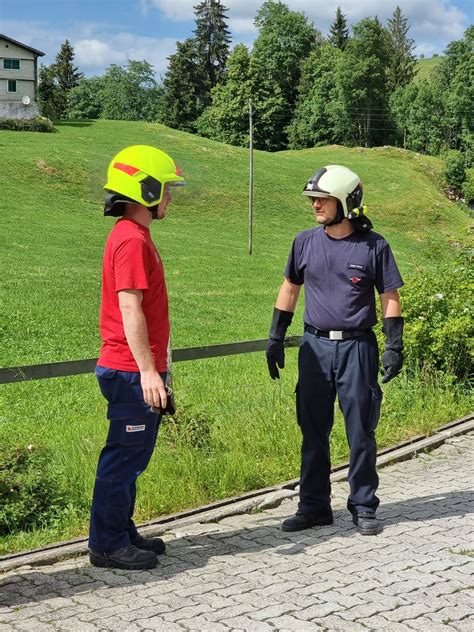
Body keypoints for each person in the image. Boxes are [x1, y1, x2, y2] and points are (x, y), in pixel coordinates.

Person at [265, 165, 404, 536]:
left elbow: (389, 297)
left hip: (357, 347)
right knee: (312, 430)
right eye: (313, 200)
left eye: (322, 199)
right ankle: (313, 507)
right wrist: (276, 336)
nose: (315, 206)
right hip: (314, 347)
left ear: (346, 201)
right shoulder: (304, 242)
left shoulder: (375, 246)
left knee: (360, 430)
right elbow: (290, 289)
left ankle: (363, 505)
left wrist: (394, 345)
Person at [89, 145, 185, 570]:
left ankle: (121, 529)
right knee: (123, 458)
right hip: (130, 372)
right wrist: (149, 372)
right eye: (166, 189)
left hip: (136, 370)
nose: (169, 198)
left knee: (132, 457)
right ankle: (106, 544)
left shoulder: (137, 236)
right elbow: (130, 308)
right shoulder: (130, 240)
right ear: (145, 190)